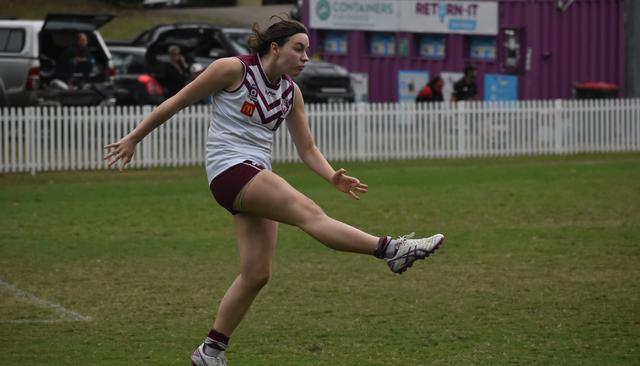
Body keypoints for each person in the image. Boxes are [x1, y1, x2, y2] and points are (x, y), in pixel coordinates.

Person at [103, 16, 445, 366]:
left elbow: (307, 149)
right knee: (309, 213)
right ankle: (391, 249)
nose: (305, 57)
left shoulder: (290, 92)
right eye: (299, 49)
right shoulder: (231, 69)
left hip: (253, 175)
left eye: (307, 51)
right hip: (230, 171)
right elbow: (175, 102)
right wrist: (134, 137)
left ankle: (210, 352)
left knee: (257, 274)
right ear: (275, 47)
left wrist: (331, 176)